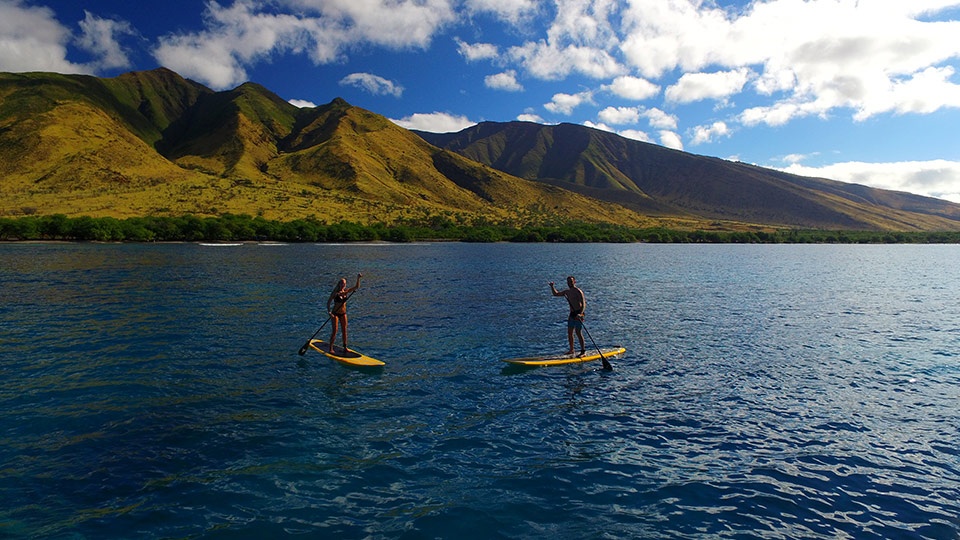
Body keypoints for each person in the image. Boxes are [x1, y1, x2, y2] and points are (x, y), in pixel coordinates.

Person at [550, 276, 586, 356]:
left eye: (571, 281)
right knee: (570, 332)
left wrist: (581, 314)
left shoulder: (578, 291)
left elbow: (583, 304)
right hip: (572, 314)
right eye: (568, 282)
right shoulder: (567, 292)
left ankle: (583, 351)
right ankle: (571, 350)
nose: (569, 283)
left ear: (574, 282)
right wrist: (552, 287)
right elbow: (555, 294)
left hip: (579, 313)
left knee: (578, 332)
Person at [327, 273, 362, 353]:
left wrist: (358, 278)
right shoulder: (335, 293)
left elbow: (356, 287)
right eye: (342, 283)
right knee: (335, 331)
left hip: (343, 313)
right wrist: (329, 312)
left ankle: (345, 347)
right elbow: (328, 302)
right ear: (339, 284)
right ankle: (331, 348)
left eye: (345, 284)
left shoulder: (346, 291)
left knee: (344, 330)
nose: (343, 285)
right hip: (335, 313)